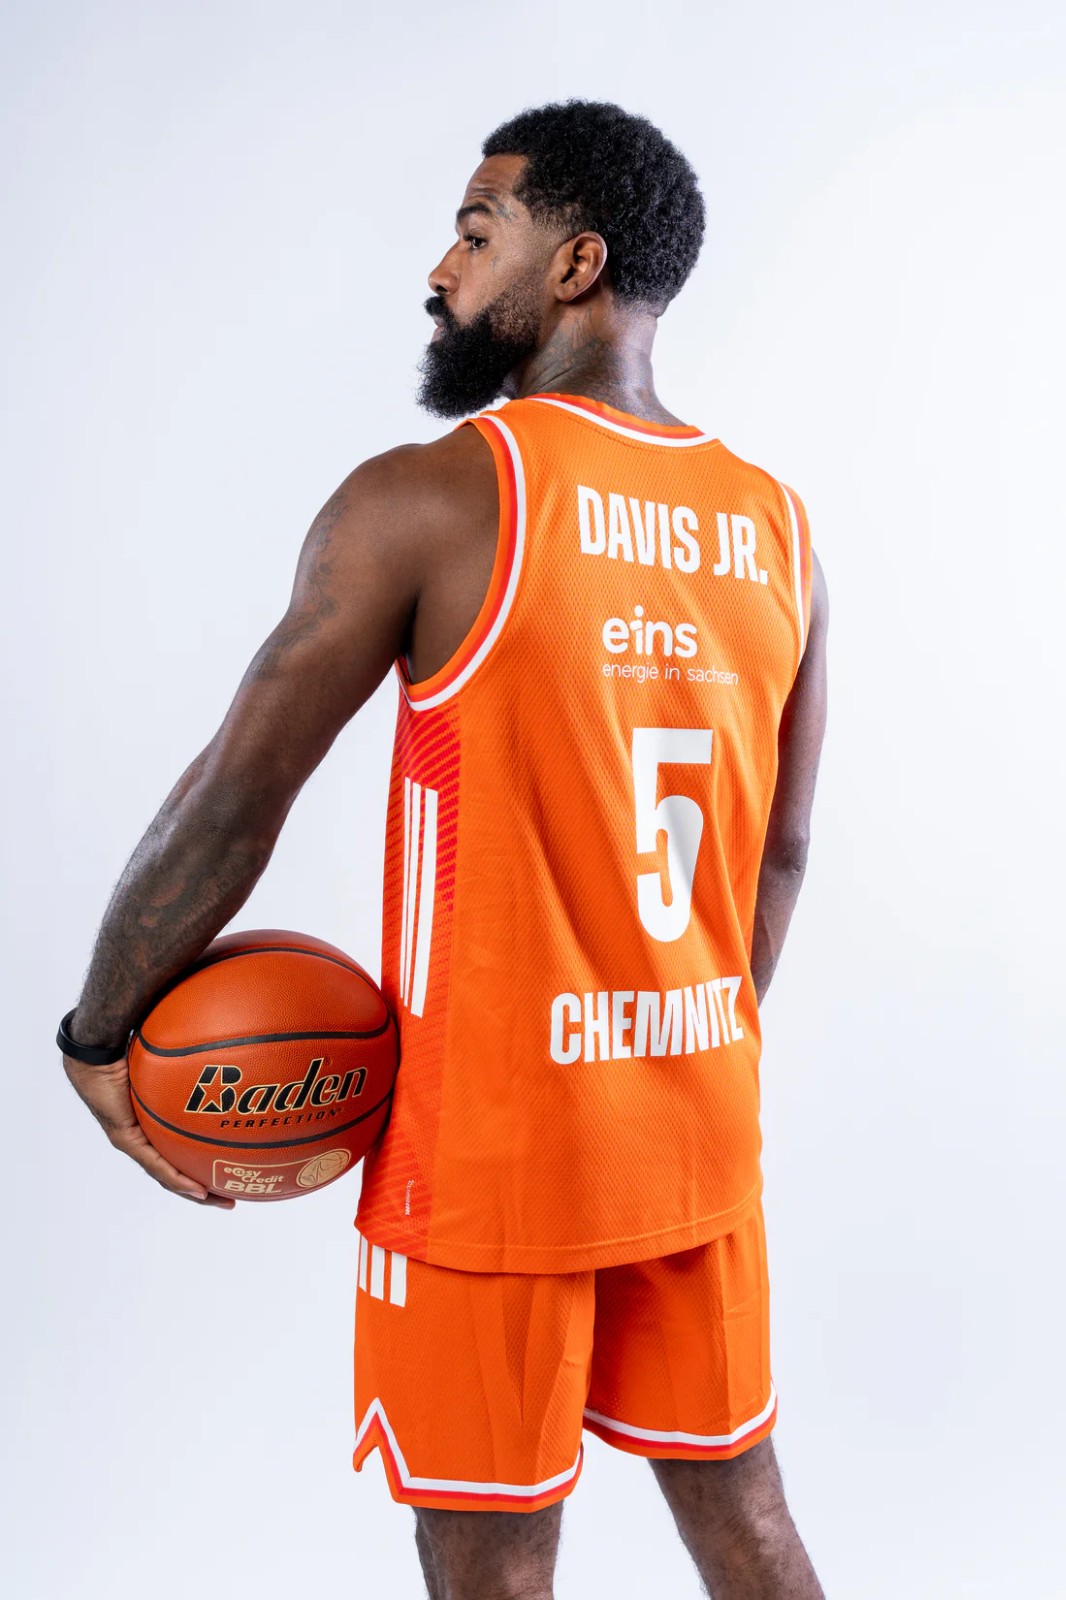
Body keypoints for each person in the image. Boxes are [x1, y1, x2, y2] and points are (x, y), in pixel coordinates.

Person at [60, 99, 828, 1600]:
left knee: (491, 1562)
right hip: (692, 1128)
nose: (441, 268)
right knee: (746, 1521)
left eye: (478, 234)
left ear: (575, 265)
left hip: (489, 1156)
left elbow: (238, 792)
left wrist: (97, 1033)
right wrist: (678, 1054)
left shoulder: (433, 496)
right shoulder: (777, 525)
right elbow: (781, 852)